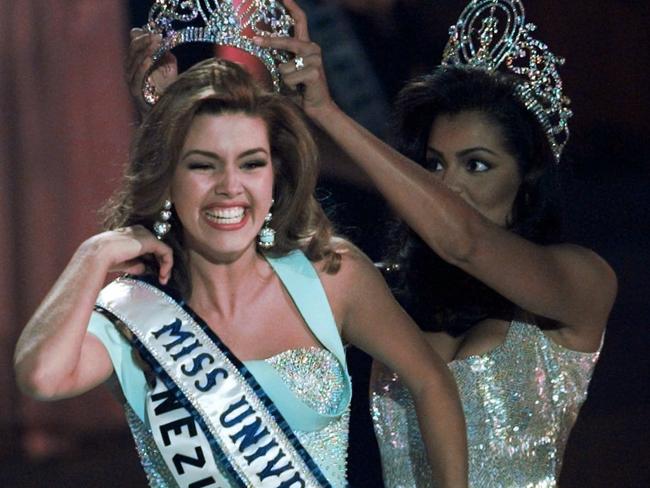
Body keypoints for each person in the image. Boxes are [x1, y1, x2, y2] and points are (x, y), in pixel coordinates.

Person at [13, 56, 468, 487]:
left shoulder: (332, 275)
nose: (230, 187)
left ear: (275, 175)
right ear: (168, 178)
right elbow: (42, 376)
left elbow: (431, 382)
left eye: (251, 163)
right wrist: (93, 254)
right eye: (203, 165)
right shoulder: (136, 314)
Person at [254, 0, 617, 486]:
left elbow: (464, 242)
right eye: (435, 164)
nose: (448, 186)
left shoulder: (579, 278)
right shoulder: (384, 289)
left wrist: (328, 112)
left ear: (528, 174)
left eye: (478, 165)